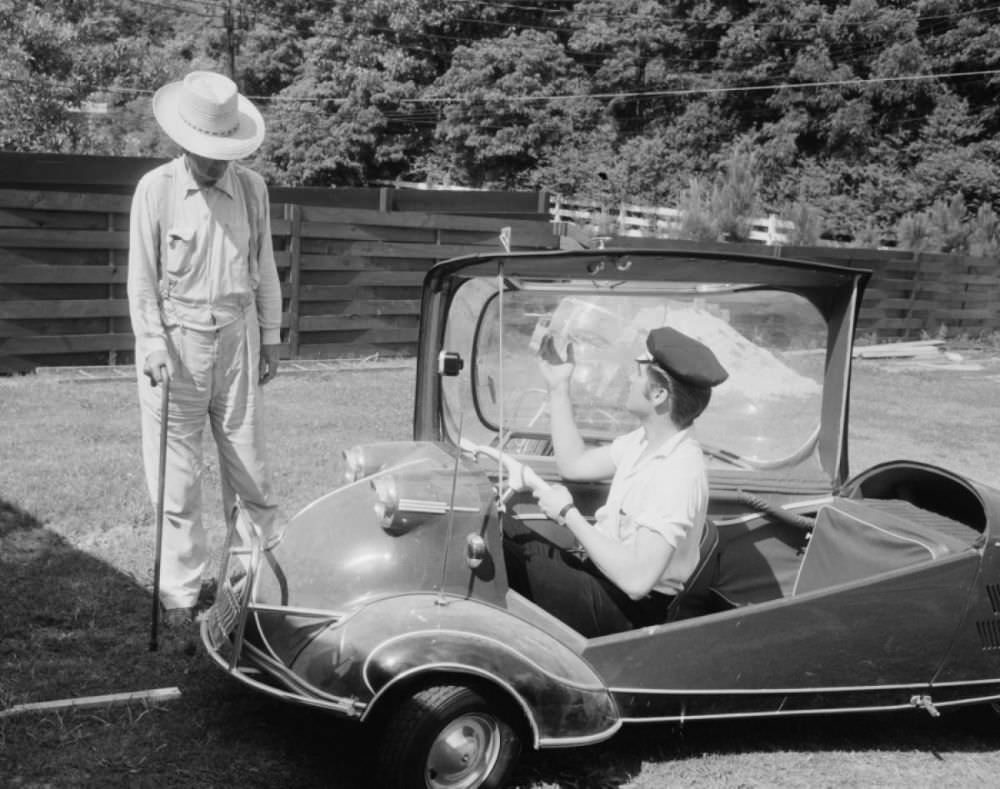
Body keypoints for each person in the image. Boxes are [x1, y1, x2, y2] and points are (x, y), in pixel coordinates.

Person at [127, 71, 282, 627]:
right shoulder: (157, 190)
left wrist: (270, 336)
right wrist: (151, 344)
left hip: (237, 340)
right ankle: (179, 594)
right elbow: (141, 280)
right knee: (178, 478)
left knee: (252, 471)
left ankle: (254, 585)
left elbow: (263, 265)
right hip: (178, 342)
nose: (215, 163)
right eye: (205, 152)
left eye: (224, 153)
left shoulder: (253, 189)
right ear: (183, 141)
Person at [503, 327, 728, 637]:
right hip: (601, 580)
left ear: (659, 395)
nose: (630, 380)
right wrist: (559, 387)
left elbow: (637, 581)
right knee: (496, 529)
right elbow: (574, 464)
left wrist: (568, 514)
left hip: (630, 614)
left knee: (498, 557)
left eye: (638, 374)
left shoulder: (679, 472)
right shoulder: (645, 441)